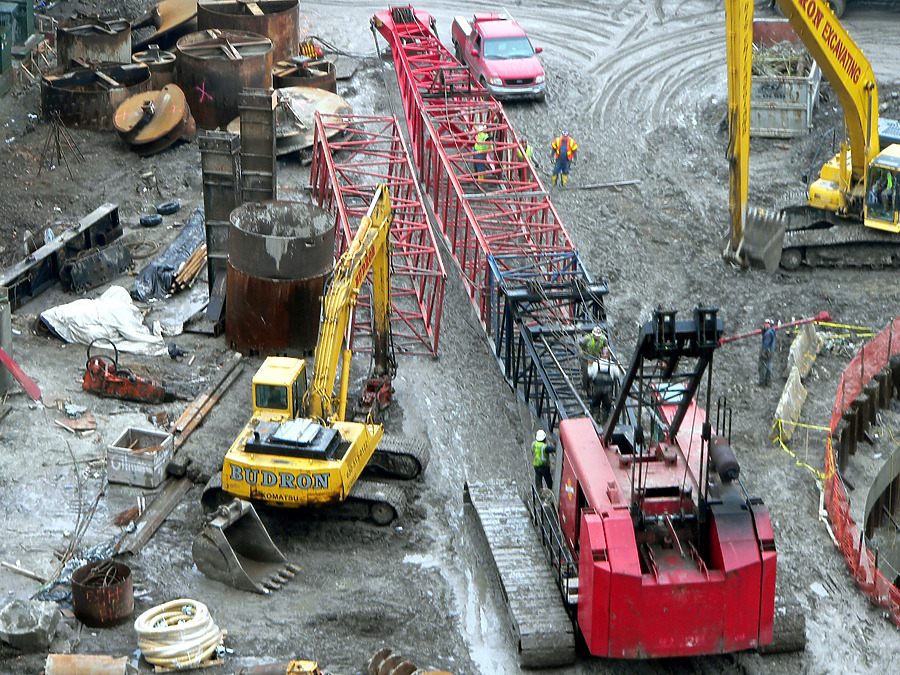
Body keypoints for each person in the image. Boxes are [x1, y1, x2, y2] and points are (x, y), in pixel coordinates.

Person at [578, 326, 605, 391]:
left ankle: (592, 387)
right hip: (586, 359)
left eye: (598, 336)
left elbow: (606, 346)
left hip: (595, 359)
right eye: (596, 336)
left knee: (595, 373)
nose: (597, 337)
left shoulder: (603, 339)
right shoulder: (587, 338)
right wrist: (580, 350)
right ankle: (585, 386)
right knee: (586, 373)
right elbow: (578, 343)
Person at [758, 318, 777, 386]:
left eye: (766, 324)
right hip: (770, 351)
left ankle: (762, 381)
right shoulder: (772, 331)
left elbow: (766, 343)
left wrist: (764, 352)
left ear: (770, 325)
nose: (765, 325)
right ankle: (768, 381)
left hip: (767, 351)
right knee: (769, 364)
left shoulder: (768, 334)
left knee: (763, 365)